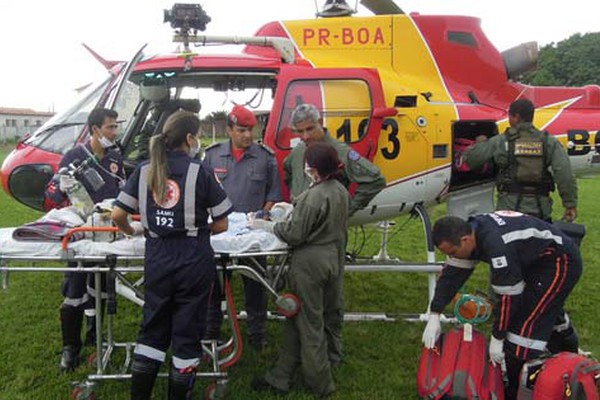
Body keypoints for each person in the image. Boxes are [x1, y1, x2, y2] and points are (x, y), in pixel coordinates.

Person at [111, 110, 233, 399]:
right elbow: (222, 223)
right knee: (187, 332)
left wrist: (131, 230)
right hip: (193, 258)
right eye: (198, 137)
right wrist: (195, 228)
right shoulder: (200, 171)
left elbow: (117, 214)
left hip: (158, 258)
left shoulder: (144, 170)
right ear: (189, 138)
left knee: (152, 328)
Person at [422, 212, 582, 399]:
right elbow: (451, 275)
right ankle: (568, 350)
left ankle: (515, 388)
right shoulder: (469, 233)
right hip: (531, 260)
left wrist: (497, 338)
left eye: (452, 252)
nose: (451, 257)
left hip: (559, 262)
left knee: (523, 330)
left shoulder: (497, 246)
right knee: (539, 309)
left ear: (465, 240)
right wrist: (435, 313)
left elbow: (508, 299)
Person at [250, 141, 350, 397]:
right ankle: (281, 376)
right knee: (298, 318)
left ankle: (321, 384)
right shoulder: (339, 189)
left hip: (309, 264)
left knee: (310, 325)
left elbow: (295, 235)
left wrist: (267, 226)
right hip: (331, 258)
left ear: (313, 169)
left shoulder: (314, 196)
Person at [44, 108, 125, 372]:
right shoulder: (75, 156)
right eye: (110, 127)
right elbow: (52, 195)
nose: (115, 132)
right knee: (75, 287)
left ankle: (95, 332)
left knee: (102, 283)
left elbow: (122, 190)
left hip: (106, 232)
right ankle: (70, 348)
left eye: (116, 126)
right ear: (94, 130)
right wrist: (64, 185)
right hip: (80, 233)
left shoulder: (114, 157)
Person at [203, 105, 283, 350]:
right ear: (229, 130)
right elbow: (202, 192)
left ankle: (257, 333)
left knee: (256, 286)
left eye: (251, 130)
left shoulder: (265, 157)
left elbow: (273, 193)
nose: (247, 135)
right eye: (241, 130)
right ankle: (211, 332)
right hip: (219, 231)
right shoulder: (213, 156)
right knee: (213, 285)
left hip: (252, 234)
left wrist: (263, 214)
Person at [464, 98, 578, 223]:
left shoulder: (501, 141)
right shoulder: (549, 142)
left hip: (508, 210)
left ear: (516, 117)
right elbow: (564, 174)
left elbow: (472, 159)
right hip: (540, 210)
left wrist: (481, 142)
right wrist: (570, 204)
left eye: (510, 116)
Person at [284, 103, 386, 217]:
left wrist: (347, 210)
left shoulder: (340, 152)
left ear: (320, 122)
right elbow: (288, 171)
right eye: (300, 131)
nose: (305, 136)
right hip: (300, 223)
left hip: (326, 227)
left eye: (310, 129)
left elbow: (375, 180)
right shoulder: (298, 151)